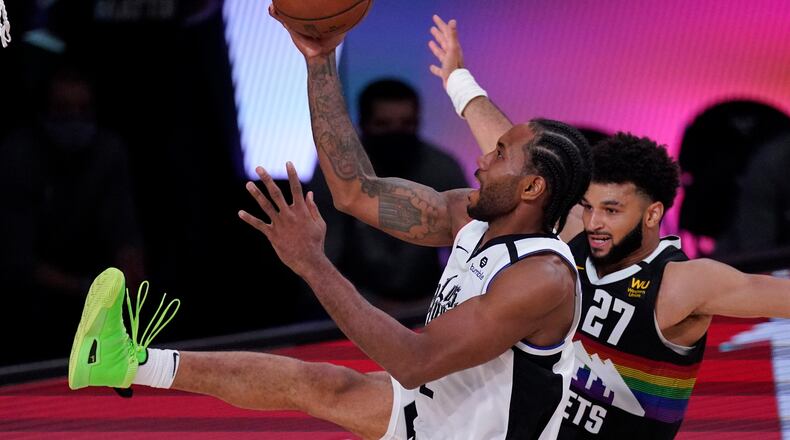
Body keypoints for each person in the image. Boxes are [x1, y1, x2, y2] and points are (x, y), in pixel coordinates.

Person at [67, 9, 593, 440]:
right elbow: (354, 189)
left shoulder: (540, 277)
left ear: (531, 189)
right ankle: (123, 361)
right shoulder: (466, 215)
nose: (481, 159)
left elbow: (414, 360)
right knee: (316, 383)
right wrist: (320, 60)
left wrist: (312, 264)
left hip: (465, 426)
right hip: (434, 410)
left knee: (329, 384)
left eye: (498, 155)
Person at [427, 15, 790, 438]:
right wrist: (458, 81)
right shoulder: (577, 234)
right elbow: (513, 152)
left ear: (652, 214)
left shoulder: (682, 283)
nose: (595, 222)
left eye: (613, 211)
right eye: (588, 206)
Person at [0, 64, 143, 364]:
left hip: (102, 306)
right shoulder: (18, 157)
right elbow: (17, 260)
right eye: (64, 110)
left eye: (83, 110)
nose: (75, 119)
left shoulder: (109, 152)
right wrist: (85, 289)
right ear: (44, 112)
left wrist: (130, 281)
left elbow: (124, 231)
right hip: (32, 311)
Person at [309, 78, 468, 311]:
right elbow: (321, 257)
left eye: (407, 124)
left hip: (430, 306)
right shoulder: (336, 173)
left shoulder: (442, 168)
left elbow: (469, 251)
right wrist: (365, 306)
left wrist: (440, 303)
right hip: (351, 306)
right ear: (362, 125)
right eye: (383, 124)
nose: (396, 134)